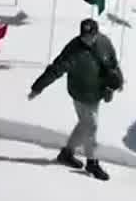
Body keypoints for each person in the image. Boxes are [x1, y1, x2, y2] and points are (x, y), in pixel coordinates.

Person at [29, 18, 124, 181]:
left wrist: (118, 81)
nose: (88, 39)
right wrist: (38, 87)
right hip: (80, 95)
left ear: (96, 33)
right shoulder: (73, 50)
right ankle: (92, 162)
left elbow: (113, 63)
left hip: (97, 93)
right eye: (84, 36)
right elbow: (56, 69)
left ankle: (66, 153)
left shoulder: (104, 42)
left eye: (91, 35)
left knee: (85, 125)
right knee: (91, 125)